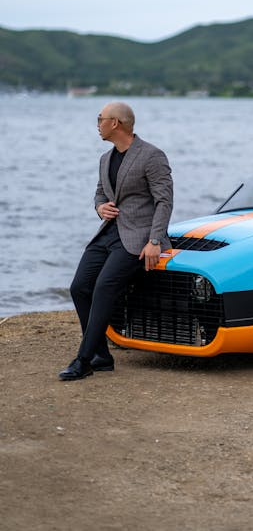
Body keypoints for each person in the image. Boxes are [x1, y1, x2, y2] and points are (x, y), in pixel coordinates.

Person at [59, 102, 174, 381]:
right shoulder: (105, 159)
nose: (97, 123)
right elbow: (100, 194)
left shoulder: (152, 155)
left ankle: (83, 359)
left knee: (103, 287)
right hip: (108, 233)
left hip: (138, 238)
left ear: (116, 123)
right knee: (79, 287)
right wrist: (100, 208)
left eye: (100, 119)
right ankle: (101, 355)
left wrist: (155, 240)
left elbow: (164, 200)